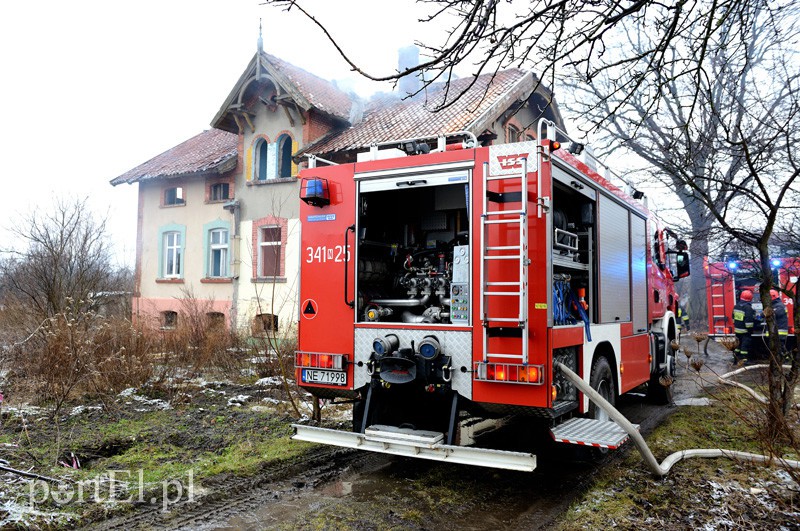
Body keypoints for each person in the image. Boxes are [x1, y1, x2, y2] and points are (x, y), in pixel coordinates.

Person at [732, 290, 756, 363]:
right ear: (750, 298)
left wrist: (736, 325)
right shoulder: (748, 308)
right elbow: (749, 322)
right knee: (745, 346)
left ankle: (735, 359)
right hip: (745, 331)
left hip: (737, 330)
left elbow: (733, 317)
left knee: (738, 346)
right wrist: (750, 330)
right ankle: (744, 360)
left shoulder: (736, 306)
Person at [770, 289, 789, 355]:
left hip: (780, 330)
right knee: (779, 346)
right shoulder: (777, 305)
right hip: (779, 329)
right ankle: (783, 358)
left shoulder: (779, 306)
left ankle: (784, 359)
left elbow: (773, 314)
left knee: (780, 346)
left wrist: (763, 315)